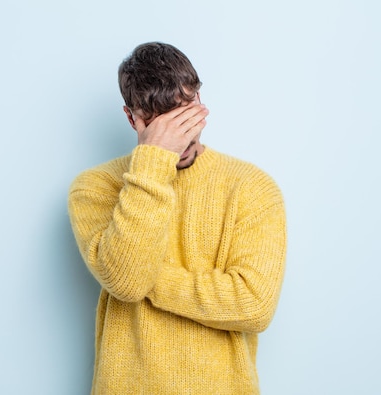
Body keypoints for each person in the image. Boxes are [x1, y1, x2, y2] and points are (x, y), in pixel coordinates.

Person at [68, 42, 287, 394]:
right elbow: (126, 281)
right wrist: (154, 159)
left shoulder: (251, 187)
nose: (179, 136)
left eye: (185, 116)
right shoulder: (96, 187)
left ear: (199, 102)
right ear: (131, 117)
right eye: (160, 123)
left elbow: (254, 304)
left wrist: (147, 276)